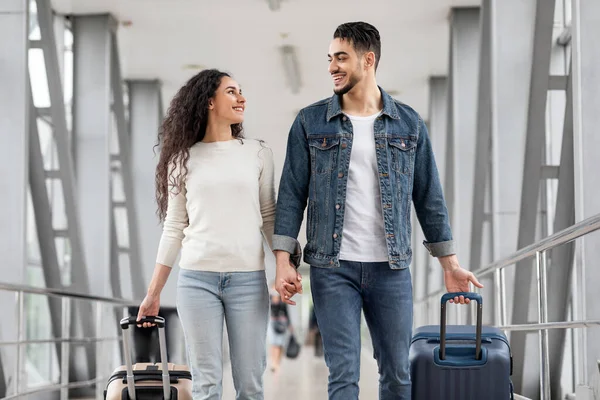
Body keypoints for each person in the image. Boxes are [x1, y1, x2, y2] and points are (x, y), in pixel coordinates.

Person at [271, 22, 484, 400]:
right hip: (332, 268)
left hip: (392, 269)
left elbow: (429, 197)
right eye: (330, 58)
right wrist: (284, 260)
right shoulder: (310, 122)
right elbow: (291, 195)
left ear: (368, 60)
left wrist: (450, 265)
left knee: (398, 374)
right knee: (343, 376)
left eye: (342, 58)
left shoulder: (408, 123)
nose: (333, 66)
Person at [136, 69, 275, 400]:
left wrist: (285, 265)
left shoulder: (256, 153)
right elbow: (173, 228)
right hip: (197, 280)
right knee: (206, 384)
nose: (241, 98)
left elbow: (269, 216)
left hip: (248, 280)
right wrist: (153, 293)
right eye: (231, 91)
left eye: (240, 91)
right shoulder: (183, 159)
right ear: (209, 101)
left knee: (250, 382)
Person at [267, 287, 291, 372]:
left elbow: (287, 313)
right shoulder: (269, 299)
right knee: (274, 343)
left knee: (280, 344)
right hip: (272, 323)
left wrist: (289, 325)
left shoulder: (283, 300)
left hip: (282, 324)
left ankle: (277, 362)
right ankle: (274, 363)